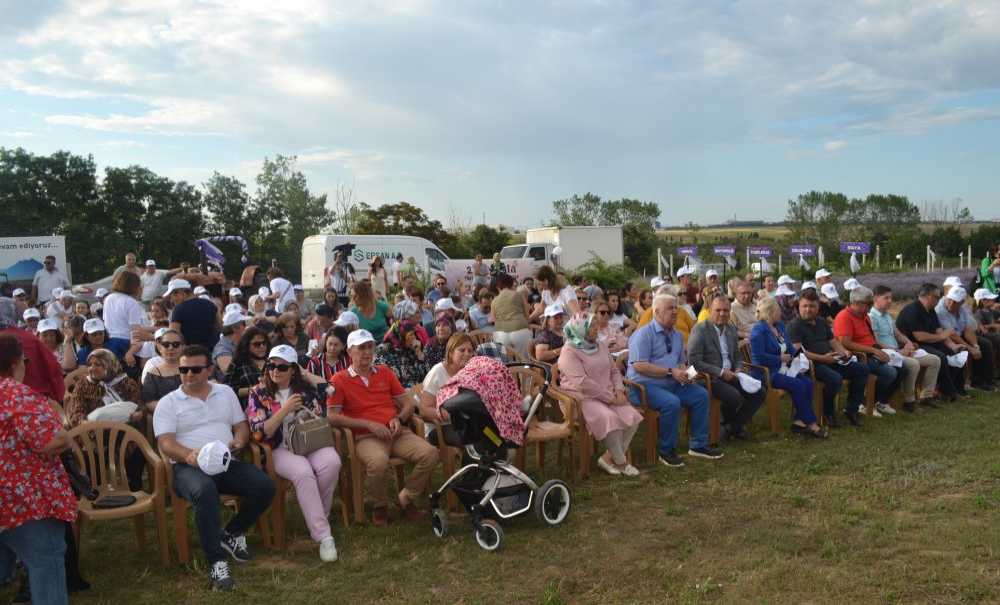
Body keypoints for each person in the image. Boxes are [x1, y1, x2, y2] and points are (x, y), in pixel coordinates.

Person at [154, 345, 275, 591]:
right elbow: (165, 442)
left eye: (195, 369)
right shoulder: (168, 402)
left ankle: (232, 531)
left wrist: (239, 440)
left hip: (225, 461)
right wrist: (188, 455)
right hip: (188, 467)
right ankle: (217, 562)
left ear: (209, 370)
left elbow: (240, 425)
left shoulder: (225, 392)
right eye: (184, 370)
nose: (189, 374)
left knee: (265, 486)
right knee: (205, 491)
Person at [326, 329, 439, 527]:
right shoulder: (339, 379)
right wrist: (368, 424)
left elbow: (407, 403)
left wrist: (399, 418)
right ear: (350, 351)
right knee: (378, 463)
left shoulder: (385, 372)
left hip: (396, 432)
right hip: (366, 437)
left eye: (370, 347)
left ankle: (406, 497)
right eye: (361, 348)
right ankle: (380, 505)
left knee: (430, 453)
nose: (367, 352)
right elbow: (332, 416)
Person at [0, 333, 76, 605]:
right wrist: (65, 435)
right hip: (23, 500)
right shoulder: (16, 394)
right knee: (45, 561)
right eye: (26, 360)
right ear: (15, 363)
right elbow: (54, 441)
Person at [246, 345, 340, 562]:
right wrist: (285, 410)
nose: (275, 371)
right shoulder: (258, 392)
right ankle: (324, 536)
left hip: (309, 441)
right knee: (303, 472)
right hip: (279, 448)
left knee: (332, 462)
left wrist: (305, 373)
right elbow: (259, 434)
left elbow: (330, 389)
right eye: (271, 365)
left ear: (293, 370)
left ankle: (318, 516)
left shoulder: (304, 388)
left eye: (282, 367)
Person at [626, 293, 723, 465]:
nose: (675, 312)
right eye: (670, 308)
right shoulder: (643, 334)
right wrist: (671, 372)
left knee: (701, 395)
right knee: (672, 403)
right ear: (656, 312)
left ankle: (698, 445)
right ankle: (666, 451)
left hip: (671, 383)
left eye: (676, 308)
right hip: (644, 387)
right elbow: (639, 366)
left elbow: (681, 364)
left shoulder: (677, 335)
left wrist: (689, 375)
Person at [559, 313, 643, 476]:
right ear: (580, 329)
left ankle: (607, 458)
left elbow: (614, 370)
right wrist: (611, 398)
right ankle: (621, 463)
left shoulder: (600, 345)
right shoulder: (568, 351)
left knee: (632, 417)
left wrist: (619, 390)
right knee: (609, 418)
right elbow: (583, 383)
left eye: (595, 324)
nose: (596, 328)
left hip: (608, 393)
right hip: (581, 398)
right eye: (591, 326)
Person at [64, 349, 145, 489]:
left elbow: (138, 405)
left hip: (123, 429)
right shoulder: (83, 385)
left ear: (110, 365)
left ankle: (133, 487)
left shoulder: (126, 383)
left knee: (134, 448)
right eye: (90, 364)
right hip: (93, 431)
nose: (92, 368)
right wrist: (84, 422)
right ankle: (98, 489)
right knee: (91, 450)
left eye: (98, 364)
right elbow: (76, 412)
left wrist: (137, 414)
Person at [688, 294, 766, 440]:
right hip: (708, 377)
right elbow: (694, 362)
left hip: (731, 373)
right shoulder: (700, 330)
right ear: (710, 311)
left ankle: (731, 427)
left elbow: (736, 355)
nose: (722, 314)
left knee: (759, 392)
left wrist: (738, 368)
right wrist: (721, 372)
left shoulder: (730, 328)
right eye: (718, 310)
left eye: (725, 310)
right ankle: (732, 427)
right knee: (734, 397)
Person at [788, 290, 869, 426]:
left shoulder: (821, 321)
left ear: (818, 307)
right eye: (804, 306)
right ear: (799, 307)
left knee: (862, 369)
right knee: (835, 379)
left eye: (812, 306)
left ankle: (851, 409)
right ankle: (828, 412)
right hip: (811, 365)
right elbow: (799, 353)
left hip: (830, 359)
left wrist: (843, 352)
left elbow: (833, 342)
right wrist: (823, 358)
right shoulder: (794, 325)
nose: (808, 309)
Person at [750, 297, 825, 438]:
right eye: (778, 310)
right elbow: (759, 358)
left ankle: (799, 421)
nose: (781, 313)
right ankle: (811, 424)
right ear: (770, 312)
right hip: (767, 372)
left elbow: (789, 346)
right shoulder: (758, 331)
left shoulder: (779, 326)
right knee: (797, 385)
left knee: (807, 382)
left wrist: (798, 355)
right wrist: (779, 358)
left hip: (784, 368)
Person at [834, 285, 907, 416]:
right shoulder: (844, 316)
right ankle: (865, 403)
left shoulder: (864, 316)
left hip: (871, 352)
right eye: (868, 303)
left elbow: (871, 339)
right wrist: (874, 351)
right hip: (859, 356)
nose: (870, 306)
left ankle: (881, 401)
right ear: (856, 303)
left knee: (903, 368)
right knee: (889, 372)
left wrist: (884, 350)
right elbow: (845, 343)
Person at [869, 285, 943, 412]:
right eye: (886, 298)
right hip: (887, 354)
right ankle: (909, 401)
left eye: (891, 298)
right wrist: (898, 351)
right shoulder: (871, 317)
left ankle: (926, 396)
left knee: (934, 360)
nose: (890, 301)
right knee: (913, 364)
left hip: (898, 351)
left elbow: (898, 334)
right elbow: (876, 342)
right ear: (875, 298)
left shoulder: (886, 315)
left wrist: (909, 343)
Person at [0, 299, 65, 403]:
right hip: (33, 398)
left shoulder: (28, 338)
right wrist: (57, 397)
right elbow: (53, 368)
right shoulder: (28, 338)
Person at [418, 333, 476, 440]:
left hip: (464, 423)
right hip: (440, 427)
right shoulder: (437, 372)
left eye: (470, 351)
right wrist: (450, 415)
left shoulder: (468, 371)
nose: (467, 354)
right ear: (450, 353)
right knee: (475, 439)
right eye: (462, 350)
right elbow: (424, 410)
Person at [935, 286, 995, 391]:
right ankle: (959, 386)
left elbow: (968, 329)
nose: (951, 304)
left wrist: (975, 346)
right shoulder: (940, 310)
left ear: (961, 302)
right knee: (964, 350)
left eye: (955, 302)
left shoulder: (962, 310)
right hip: (947, 339)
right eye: (950, 300)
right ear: (947, 297)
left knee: (985, 345)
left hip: (959, 334)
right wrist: (970, 349)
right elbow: (952, 334)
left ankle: (983, 380)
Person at [102, 271, 148, 361]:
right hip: (126, 343)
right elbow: (135, 331)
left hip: (109, 341)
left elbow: (105, 320)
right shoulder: (131, 302)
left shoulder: (108, 298)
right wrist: (131, 352)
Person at [224, 327, 270, 409]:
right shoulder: (238, 363)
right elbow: (227, 390)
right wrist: (253, 390)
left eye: (264, 343)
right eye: (257, 344)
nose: (262, 346)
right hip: (249, 409)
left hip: (275, 407)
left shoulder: (272, 361)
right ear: (246, 345)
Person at [167, 279, 220, 350]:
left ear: (181, 293)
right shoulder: (210, 304)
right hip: (212, 351)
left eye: (172, 296)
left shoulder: (178, 309)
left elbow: (173, 335)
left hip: (190, 353)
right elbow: (220, 326)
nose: (171, 300)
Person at [374, 320, 429, 388]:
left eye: (414, 334)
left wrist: (419, 353)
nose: (414, 337)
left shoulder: (410, 349)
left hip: (417, 389)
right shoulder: (383, 352)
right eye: (411, 334)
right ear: (401, 335)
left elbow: (426, 373)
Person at [490, 273, 533, 360]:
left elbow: (493, 319)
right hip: (520, 331)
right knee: (525, 361)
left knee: (505, 363)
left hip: (501, 334)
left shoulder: (494, 301)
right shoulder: (518, 295)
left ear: (498, 286)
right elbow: (527, 316)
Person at [142, 328, 183, 418]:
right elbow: (149, 402)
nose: (171, 348)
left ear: (182, 347)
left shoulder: (194, 368)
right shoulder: (152, 374)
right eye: (166, 344)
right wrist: (173, 411)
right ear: (160, 348)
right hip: (166, 417)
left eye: (176, 344)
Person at [212, 309, 247, 375]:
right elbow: (229, 371)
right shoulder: (222, 348)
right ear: (235, 328)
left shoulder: (241, 343)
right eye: (244, 324)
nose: (246, 327)